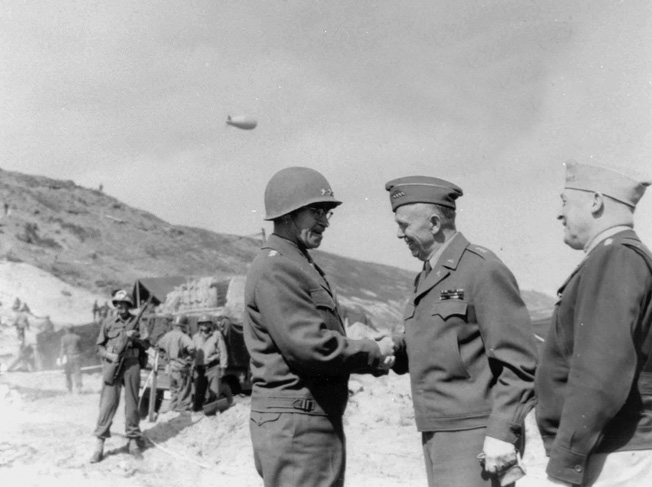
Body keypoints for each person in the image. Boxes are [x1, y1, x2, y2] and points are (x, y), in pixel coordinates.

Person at [244, 166, 395, 487]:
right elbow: (310, 347)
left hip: (308, 421)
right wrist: (375, 351)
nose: (325, 221)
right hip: (299, 426)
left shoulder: (298, 263)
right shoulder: (279, 268)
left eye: (327, 212)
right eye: (316, 211)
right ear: (287, 213)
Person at [384, 176, 538, 487]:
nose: (399, 234)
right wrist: (395, 348)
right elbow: (440, 340)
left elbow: (519, 363)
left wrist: (502, 433)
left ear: (434, 222)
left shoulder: (482, 269)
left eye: (404, 225)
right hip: (437, 429)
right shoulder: (428, 275)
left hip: (475, 433)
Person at [535, 160, 652, 486]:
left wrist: (565, 462)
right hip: (611, 448)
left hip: (613, 454)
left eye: (564, 202)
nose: (559, 214)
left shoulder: (614, 257)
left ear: (596, 202)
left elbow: (600, 371)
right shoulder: (615, 256)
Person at [91, 290, 150, 463]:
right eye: (117, 303)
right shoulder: (108, 322)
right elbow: (99, 347)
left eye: (124, 304)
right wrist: (110, 356)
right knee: (107, 404)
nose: (120, 306)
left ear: (129, 305)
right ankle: (99, 445)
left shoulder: (138, 322)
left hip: (131, 364)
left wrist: (136, 337)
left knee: (132, 404)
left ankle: (133, 442)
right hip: (113, 364)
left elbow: (147, 344)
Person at [157, 314, 196, 413]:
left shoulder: (168, 335)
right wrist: (189, 357)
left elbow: (158, 347)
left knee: (173, 390)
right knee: (183, 390)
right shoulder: (183, 336)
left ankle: (173, 409)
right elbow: (192, 347)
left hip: (171, 366)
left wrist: (165, 357)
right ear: (183, 325)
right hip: (181, 366)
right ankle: (182, 410)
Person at [192, 315, 229, 411]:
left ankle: (213, 414)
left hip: (213, 367)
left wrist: (223, 368)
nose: (204, 325)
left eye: (206, 323)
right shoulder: (195, 337)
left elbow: (223, 351)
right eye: (201, 323)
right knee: (199, 393)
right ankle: (198, 414)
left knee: (214, 392)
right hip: (200, 368)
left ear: (210, 324)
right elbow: (193, 353)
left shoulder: (216, 335)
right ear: (198, 325)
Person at [59, 325, 83, 394]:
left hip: (68, 357)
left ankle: (69, 389)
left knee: (68, 373)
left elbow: (62, 349)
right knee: (78, 372)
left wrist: (61, 358)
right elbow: (81, 348)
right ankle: (79, 388)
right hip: (77, 356)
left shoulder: (64, 338)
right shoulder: (78, 337)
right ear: (73, 330)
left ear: (66, 330)